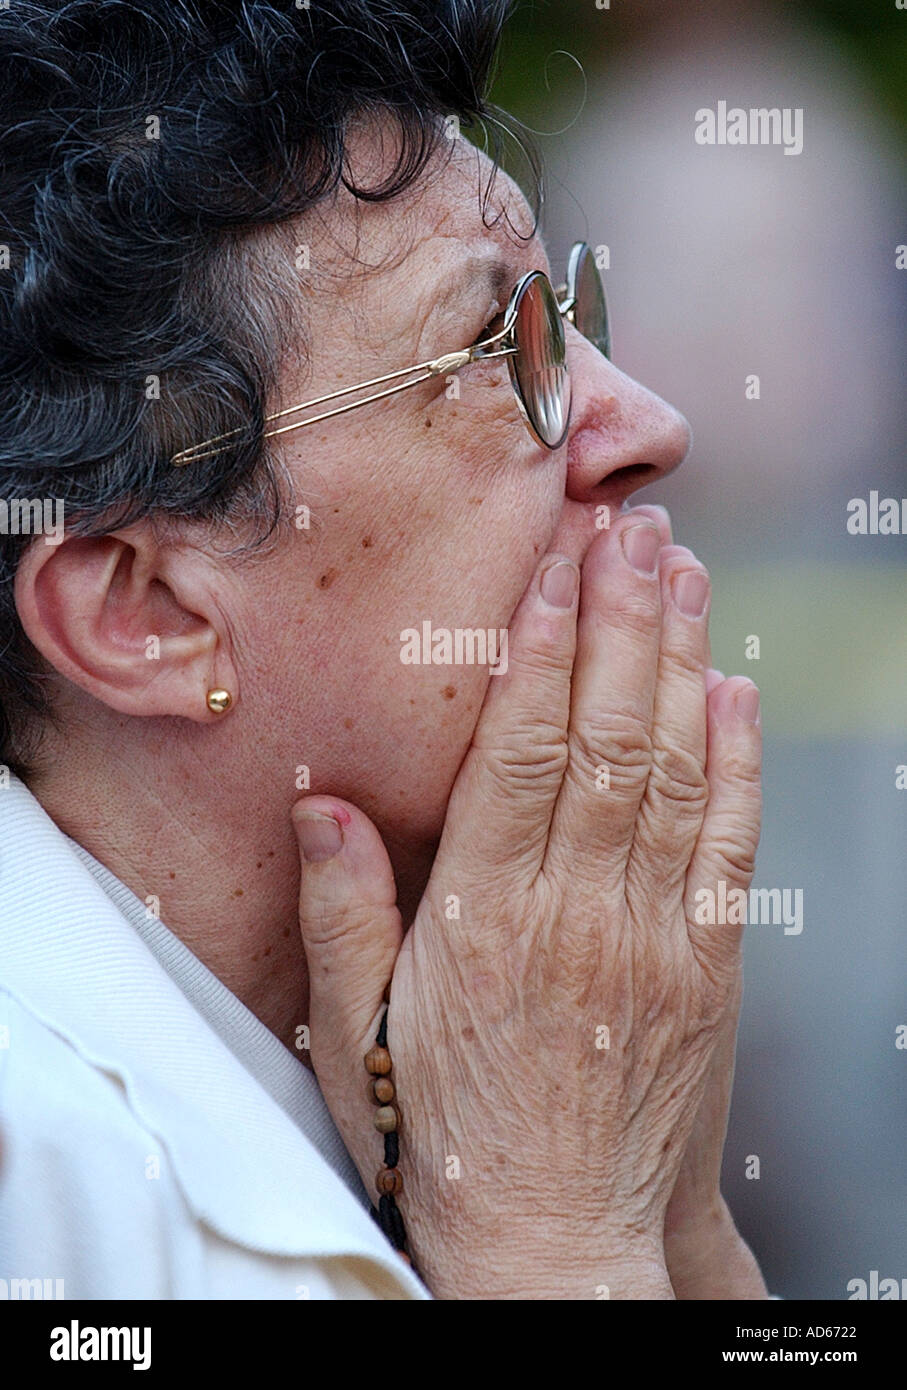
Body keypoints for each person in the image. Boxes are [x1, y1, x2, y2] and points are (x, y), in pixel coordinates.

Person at [0, 0, 767, 1299]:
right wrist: (554, 1240)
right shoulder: (42, 1177)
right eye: (491, 347)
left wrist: (677, 1218)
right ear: (145, 613)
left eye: (568, 310)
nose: (647, 423)